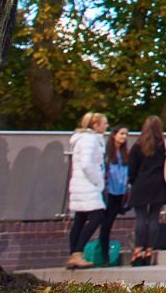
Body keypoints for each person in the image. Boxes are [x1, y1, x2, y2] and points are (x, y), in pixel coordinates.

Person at [125, 116, 166, 267]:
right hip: (159, 185)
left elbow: (132, 170)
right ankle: (149, 250)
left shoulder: (138, 145)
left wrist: (134, 183)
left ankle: (138, 250)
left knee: (141, 218)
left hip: (141, 185)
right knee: (154, 217)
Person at [65, 112, 109, 270]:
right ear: (95, 125)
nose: (107, 126)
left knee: (80, 218)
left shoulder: (84, 139)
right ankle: (78, 252)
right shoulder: (90, 140)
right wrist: (98, 181)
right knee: (97, 216)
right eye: (104, 123)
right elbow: (87, 164)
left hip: (81, 184)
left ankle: (74, 254)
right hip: (88, 185)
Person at [100, 125, 131, 261]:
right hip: (108, 192)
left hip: (121, 192)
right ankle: (103, 255)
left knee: (110, 222)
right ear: (114, 135)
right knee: (105, 224)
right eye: (121, 133)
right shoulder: (106, 152)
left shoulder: (125, 153)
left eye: (126, 134)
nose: (124, 137)